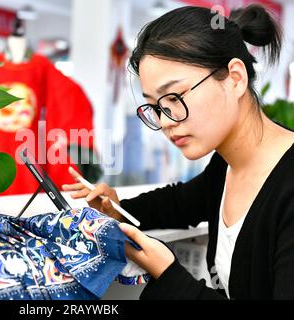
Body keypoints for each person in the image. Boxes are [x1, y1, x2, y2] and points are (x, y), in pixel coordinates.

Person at [63, 4, 294, 300]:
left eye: (173, 97)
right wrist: (118, 208)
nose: (165, 121)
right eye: (156, 106)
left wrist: (169, 274)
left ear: (235, 78)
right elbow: (179, 202)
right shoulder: (225, 166)